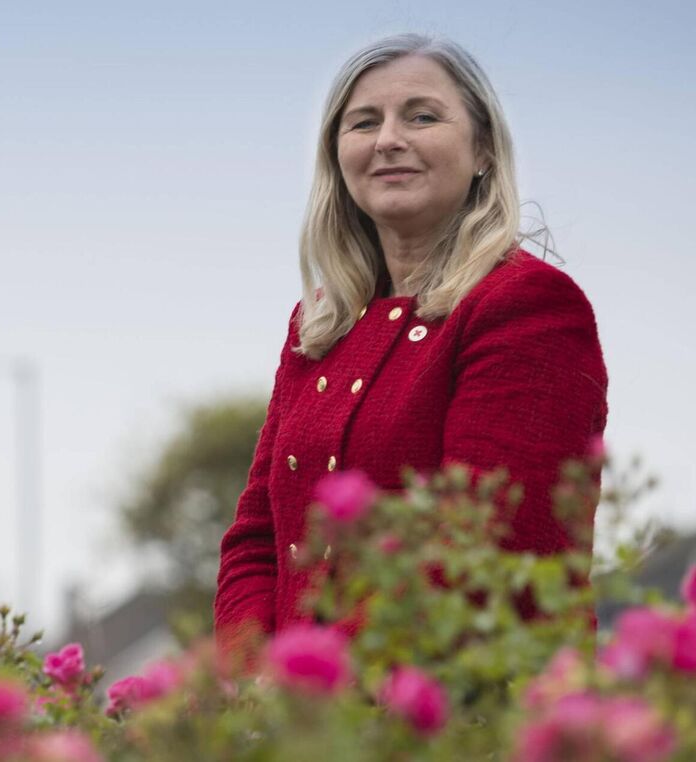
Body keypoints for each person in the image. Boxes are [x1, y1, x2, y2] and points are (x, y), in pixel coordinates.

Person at [214, 35, 607, 645]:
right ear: (337, 157)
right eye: (363, 122)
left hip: (464, 717)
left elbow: (484, 550)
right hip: (308, 727)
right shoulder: (320, 323)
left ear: (482, 150)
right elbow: (257, 538)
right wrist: (248, 680)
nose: (388, 139)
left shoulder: (527, 306)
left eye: (422, 116)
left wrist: (309, 679)